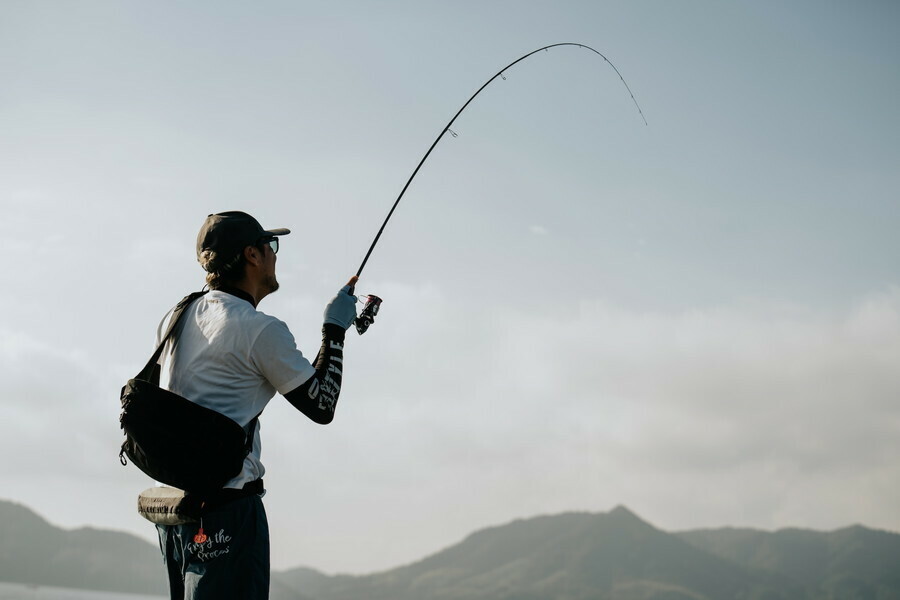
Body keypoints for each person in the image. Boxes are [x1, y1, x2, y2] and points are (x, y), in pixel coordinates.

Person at [152, 211, 358, 599]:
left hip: (174, 512)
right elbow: (321, 405)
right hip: (227, 512)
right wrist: (334, 330)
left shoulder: (175, 317)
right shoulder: (259, 328)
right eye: (271, 246)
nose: (275, 256)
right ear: (252, 255)